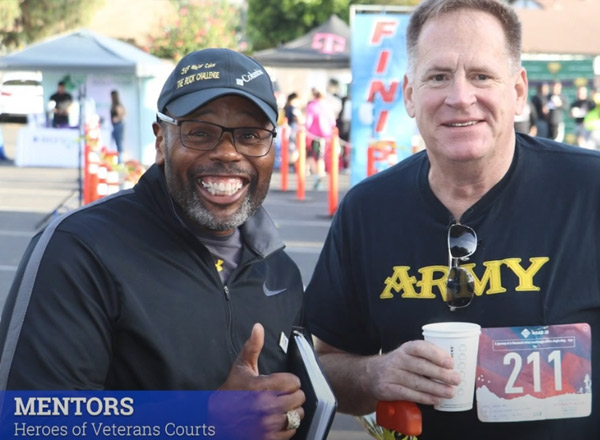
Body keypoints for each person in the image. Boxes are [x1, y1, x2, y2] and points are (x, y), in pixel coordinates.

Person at [304, 1, 600, 439]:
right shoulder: (368, 210)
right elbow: (327, 364)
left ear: (518, 91)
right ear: (409, 94)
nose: (460, 97)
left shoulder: (588, 190)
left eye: (481, 75)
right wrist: (373, 374)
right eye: (438, 76)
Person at [0, 48, 306, 438]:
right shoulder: (78, 249)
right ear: (161, 141)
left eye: (250, 135)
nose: (229, 152)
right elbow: (31, 420)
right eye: (200, 131)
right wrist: (204, 422)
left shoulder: (279, 270)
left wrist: (290, 416)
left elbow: (286, 407)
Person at [304, 88, 337, 189]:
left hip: (314, 136)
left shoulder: (312, 106)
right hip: (326, 136)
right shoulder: (327, 105)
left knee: (311, 155)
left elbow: (308, 122)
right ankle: (319, 176)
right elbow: (333, 122)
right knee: (321, 157)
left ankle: (317, 176)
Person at [110, 89, 126, 159]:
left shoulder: (117, 105)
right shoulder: (114, 105)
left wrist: (117, 119)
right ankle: (118, 158)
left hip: (118, 125)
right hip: (115, 126)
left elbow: (122, 114)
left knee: (118, 142)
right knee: (116, 143)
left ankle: (120, 160)